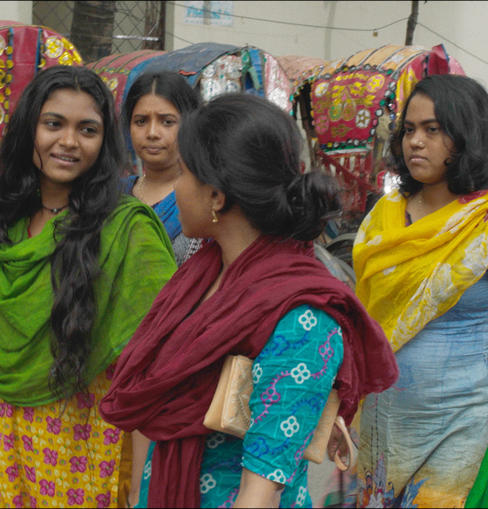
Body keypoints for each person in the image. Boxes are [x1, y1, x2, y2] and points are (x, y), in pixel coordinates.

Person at [99, 93, 398, 508]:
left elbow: (261, 492)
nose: (175, 185)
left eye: (184, 172)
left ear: (217, 196)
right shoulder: (197, 279)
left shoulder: (302, 315)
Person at [0, 65, 177, 508]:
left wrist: (144, 486)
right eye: (53, 124)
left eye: (87, 129)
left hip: (90, 450)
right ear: (28, 130)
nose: (69, 142)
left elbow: (156, 367)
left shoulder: (127, 230)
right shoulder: (6, 224)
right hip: (5, 448)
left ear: (105, 142)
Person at [352, 74, 488, 508]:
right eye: (409, 129)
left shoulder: (481, 224)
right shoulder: (383, 218)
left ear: (467, 135)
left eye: (433, 130)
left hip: (463, 426)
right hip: (382, 426)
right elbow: (365, 316)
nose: (415, 142)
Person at [121, 71, 202, 265]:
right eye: (141, 121)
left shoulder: (204, 199)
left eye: (167, 122)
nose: (152, 133)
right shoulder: (114, 193)